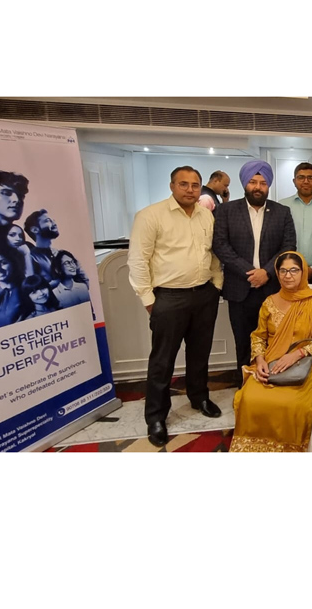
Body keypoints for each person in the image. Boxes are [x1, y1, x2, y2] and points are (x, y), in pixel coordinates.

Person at [128, 165, 224, 447]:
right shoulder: (150, 216)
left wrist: (216, 284)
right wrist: (149, 300)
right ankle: (156, 416)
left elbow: (213, 254)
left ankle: (199, 397)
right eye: (184, 184)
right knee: (162, 360)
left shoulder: (207, 214)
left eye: (195, 185)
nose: (190, 190)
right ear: (172, 186)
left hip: (204, 295)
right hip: (168, 298)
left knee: (200, 352)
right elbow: (137, 261)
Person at [230, 251, 312, 452]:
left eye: (294, 270)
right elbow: (258, 336)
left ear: (303, 272)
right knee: (249, 397)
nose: (288, 275)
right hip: (270, 363)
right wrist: (260, 360)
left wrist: (297, 354)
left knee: (293, 404)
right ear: (278, 274)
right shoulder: (269, 302)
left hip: (304, 363)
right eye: (283, 271)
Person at [213, 160, 296, 374]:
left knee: (275, 339)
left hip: (273, 289)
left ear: (268, 186)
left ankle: (273, 383)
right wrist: (250, 273)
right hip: (240, 288)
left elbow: (288, 246)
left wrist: (266, 272)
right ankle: (245, 383)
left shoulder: (282, 212)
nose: (258, 187)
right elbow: (220, 245)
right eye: (252, 182)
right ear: (244, 184)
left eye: (262, 182)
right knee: (243, 340)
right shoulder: (226, 211)